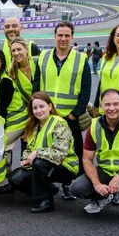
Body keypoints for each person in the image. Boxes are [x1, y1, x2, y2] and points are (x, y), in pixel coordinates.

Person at [70, 89, 119, 221]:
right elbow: (87, 159)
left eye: (115, 104)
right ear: (101, 106)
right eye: (107, 105)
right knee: (77, 188)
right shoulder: (94, 126)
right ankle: (99, 198)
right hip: (105, 171)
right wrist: (96, 184)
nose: (111, 108)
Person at [34, 21, 90, 184]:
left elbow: (86, 89)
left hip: (70, 117)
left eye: (67, 35)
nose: (63, 39)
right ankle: (47, 185)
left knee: (74, 154)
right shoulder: (43, 57)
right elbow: (36, 86)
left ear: (72, 37)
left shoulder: (81, 59)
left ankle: (72, 185)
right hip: (47, 117)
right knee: (47, 151)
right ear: (54, 37)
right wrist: (39, 109)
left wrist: (75, 114)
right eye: (60, 35)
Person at [9, 92, 79, 213]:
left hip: (65, 166)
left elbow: (60, 154)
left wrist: (36, 153)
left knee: (39, 163)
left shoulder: (59, 124)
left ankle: (46, 201)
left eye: (42, 106)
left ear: (50, 107)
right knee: (15, 179)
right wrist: (26, 159)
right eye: (35, 108)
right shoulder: (34, 125)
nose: (38, 110)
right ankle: (49, 189)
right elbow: (29, 148)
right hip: (43, 164)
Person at [5, 38, 36, 176]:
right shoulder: (12, 72)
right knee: (25, 145)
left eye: (19, 49)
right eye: (13, 51)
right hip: (26, 114)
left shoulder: (38, 63)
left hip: (43, 111)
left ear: (26, 49)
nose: (16, 53)